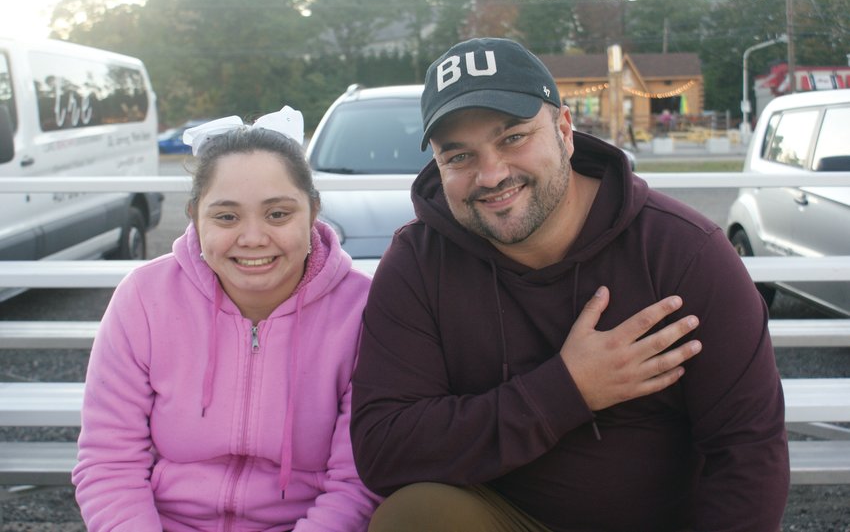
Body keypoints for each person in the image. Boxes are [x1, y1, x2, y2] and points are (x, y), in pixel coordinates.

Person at [350, 38, 789, 531]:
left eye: (513, 137)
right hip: (508, 518)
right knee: (413, 518)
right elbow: (385, 450)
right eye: (459, 156)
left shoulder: (682, 252)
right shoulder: (418, 262)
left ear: (564, 128)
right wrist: (568, 389)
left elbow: (748, 449)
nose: (491, 175)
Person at [72, 107, 381, 531]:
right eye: (226, 216)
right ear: (196, 217)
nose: (253, 238)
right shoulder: (143, 298)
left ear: (312, 211)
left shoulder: (363, 312)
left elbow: (356, 483)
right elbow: (110, 462)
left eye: (278, 214)